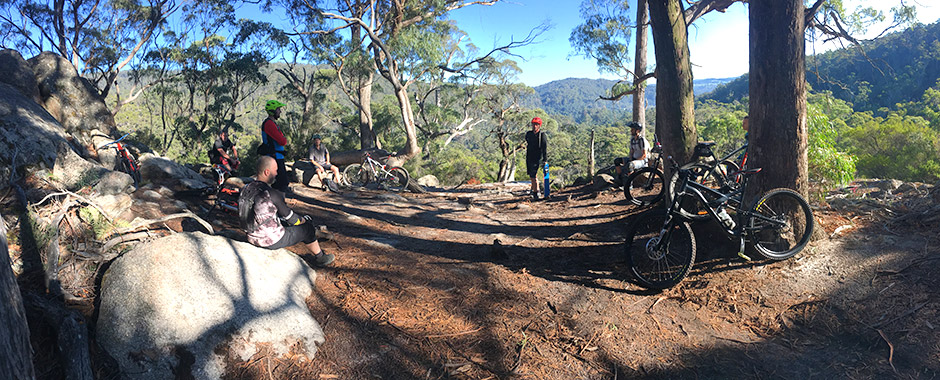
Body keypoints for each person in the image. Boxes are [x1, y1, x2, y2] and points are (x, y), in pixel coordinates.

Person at [239, 156, 335, 266]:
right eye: (275, 171)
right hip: (269, 241)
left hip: (250, 236)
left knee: (283, 221)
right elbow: (292, 219)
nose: (276, 174)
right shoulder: (270, 193)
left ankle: (317, 236)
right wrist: (304, 220)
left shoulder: (246, 188)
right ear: (267, 172)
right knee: (307, 228)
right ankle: (321, 258)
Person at [261, 100, 290, 193]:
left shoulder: (272, 123)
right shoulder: (269, 124)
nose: (280, 111)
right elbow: (282, 141)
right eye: (278, 109)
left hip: (277, 156)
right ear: (273, 111)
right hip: (274, 157)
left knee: (282, 182)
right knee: (281, 183)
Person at [525, 117, 548, 200]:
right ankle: (533, 190)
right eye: (533, 124)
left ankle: (536, 192)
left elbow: (544, 149)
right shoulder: (529, 134)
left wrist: (545, 160)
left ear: (539, 126)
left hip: (537, 158)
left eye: (536, 124)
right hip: (529, 157)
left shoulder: (542, 136)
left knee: (534, 175)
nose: (534, 126)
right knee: (531, 175)